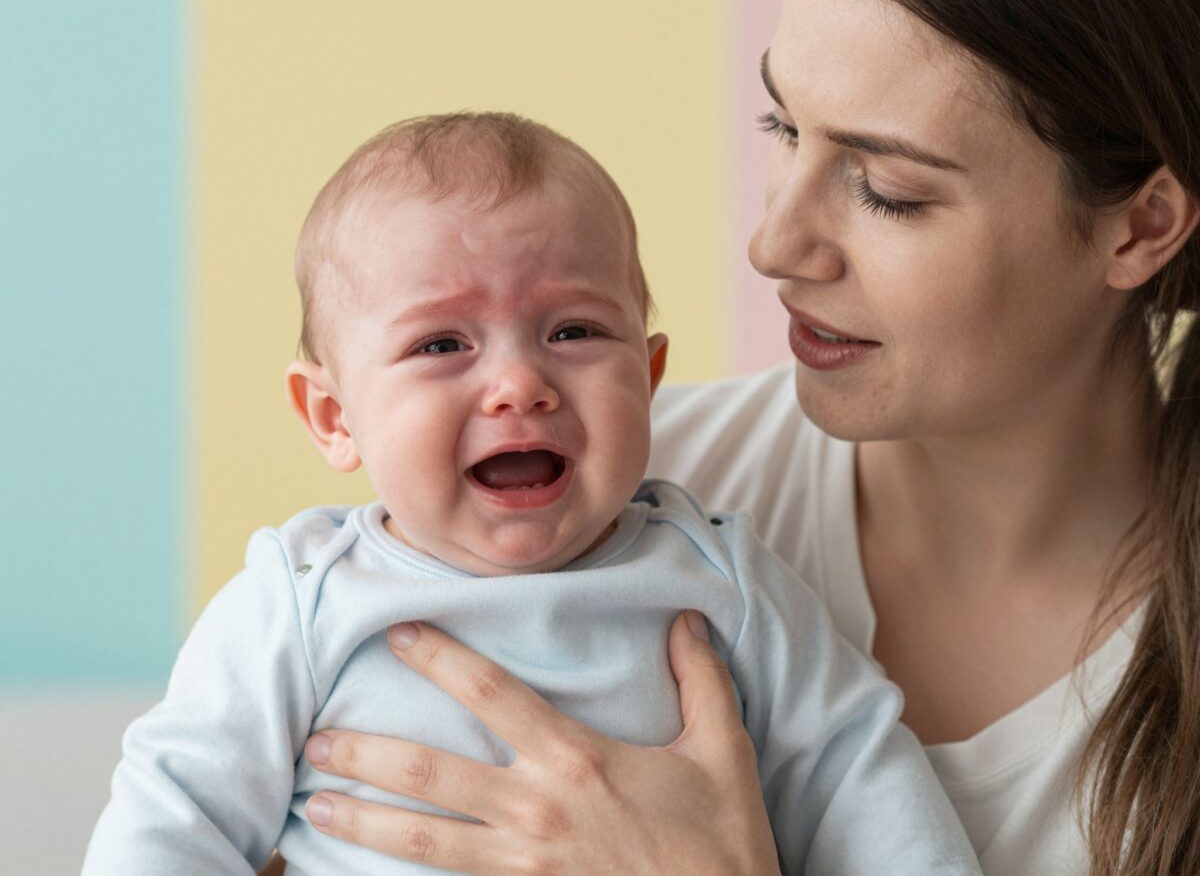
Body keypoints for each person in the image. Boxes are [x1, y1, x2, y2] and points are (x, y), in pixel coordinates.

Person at [279, 0, 1200, 875]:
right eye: (784, 128)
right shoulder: (584, 492)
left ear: (1140, 226)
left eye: (887, 189)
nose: (773, 245)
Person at [84, 112, 980, 875]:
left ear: (650, 376)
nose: (520, 383)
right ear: (333, 415)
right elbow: (174, 812)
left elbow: (860, 776)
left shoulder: (722, 579)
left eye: (575, 330)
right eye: (442, 345)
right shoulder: (302, 600)